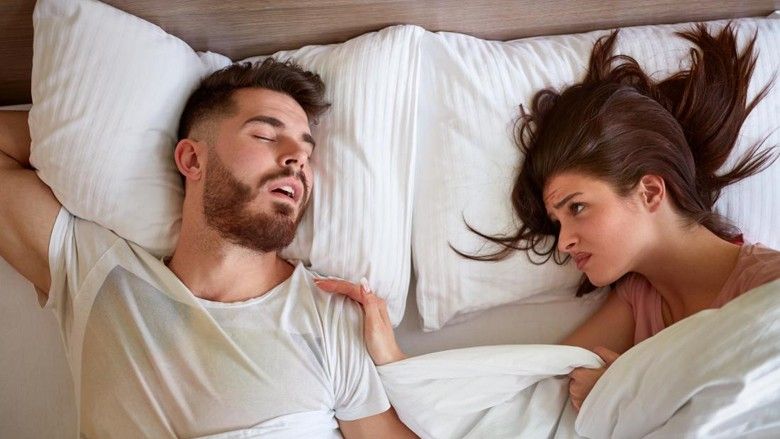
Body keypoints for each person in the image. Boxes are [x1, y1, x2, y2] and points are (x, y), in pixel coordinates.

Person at [316, 23, 780, 413]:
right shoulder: (638, 301)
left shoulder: (767, 287)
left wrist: (626, 394)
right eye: (559, 223)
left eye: (577, 208)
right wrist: (391, 359)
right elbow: (516, 403)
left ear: (650, 191)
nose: (563, 242)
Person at [0, 59, 416, 438]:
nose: (297, 159)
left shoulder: (329, 317)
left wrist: (395, 365)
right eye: (265, 135)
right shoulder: (100, 274)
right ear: (192, 160)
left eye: (306, 152)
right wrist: (79, 133)